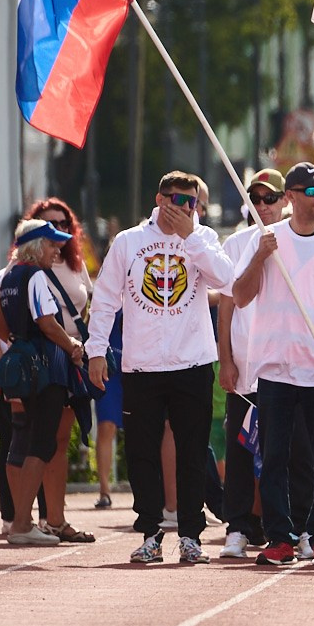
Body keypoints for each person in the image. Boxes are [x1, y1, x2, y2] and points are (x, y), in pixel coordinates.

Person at [86, 172, 236, 566]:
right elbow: (104, 299)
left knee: (191, 453)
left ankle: (190, 536)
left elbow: (228, 279)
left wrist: (192, 237)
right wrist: (96, 351)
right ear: (158, 198)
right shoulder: (129, 242)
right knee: (142, 454)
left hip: (193, 362)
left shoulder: (203, 239)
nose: (183, 207)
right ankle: (150, 533)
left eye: (190, 202)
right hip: (142, 364)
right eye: (175, 199)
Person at [233, 163, 314, 568]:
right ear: (290, 196)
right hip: (274, 369)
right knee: (273, 459)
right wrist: (259, 257)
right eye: (310, 189)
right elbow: (239, 296)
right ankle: (280, 539)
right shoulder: (266, 239)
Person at [0, 218, 91, 546]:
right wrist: (72, 346)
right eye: (50, 243)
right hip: (47, 369)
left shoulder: (10, 276)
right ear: (35, 246)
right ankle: (21, 523)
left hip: (28, 367)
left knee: (33, 440)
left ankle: (23, 521)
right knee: (42, 444)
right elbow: (47, 323)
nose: (57, 249)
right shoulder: (34, 275)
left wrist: (18, 343)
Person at [216, 169, 287, 559]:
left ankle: (292, 526)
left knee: (290, 450)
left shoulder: (300, 239)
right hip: (246, 365)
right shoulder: (236, 244)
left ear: (284, 200)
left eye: (270, 198)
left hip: (288, 366)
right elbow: (228, 303)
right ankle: (238, 527)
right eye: (256, 200)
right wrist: (225, 359)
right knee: (241, 449)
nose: (263, 206)